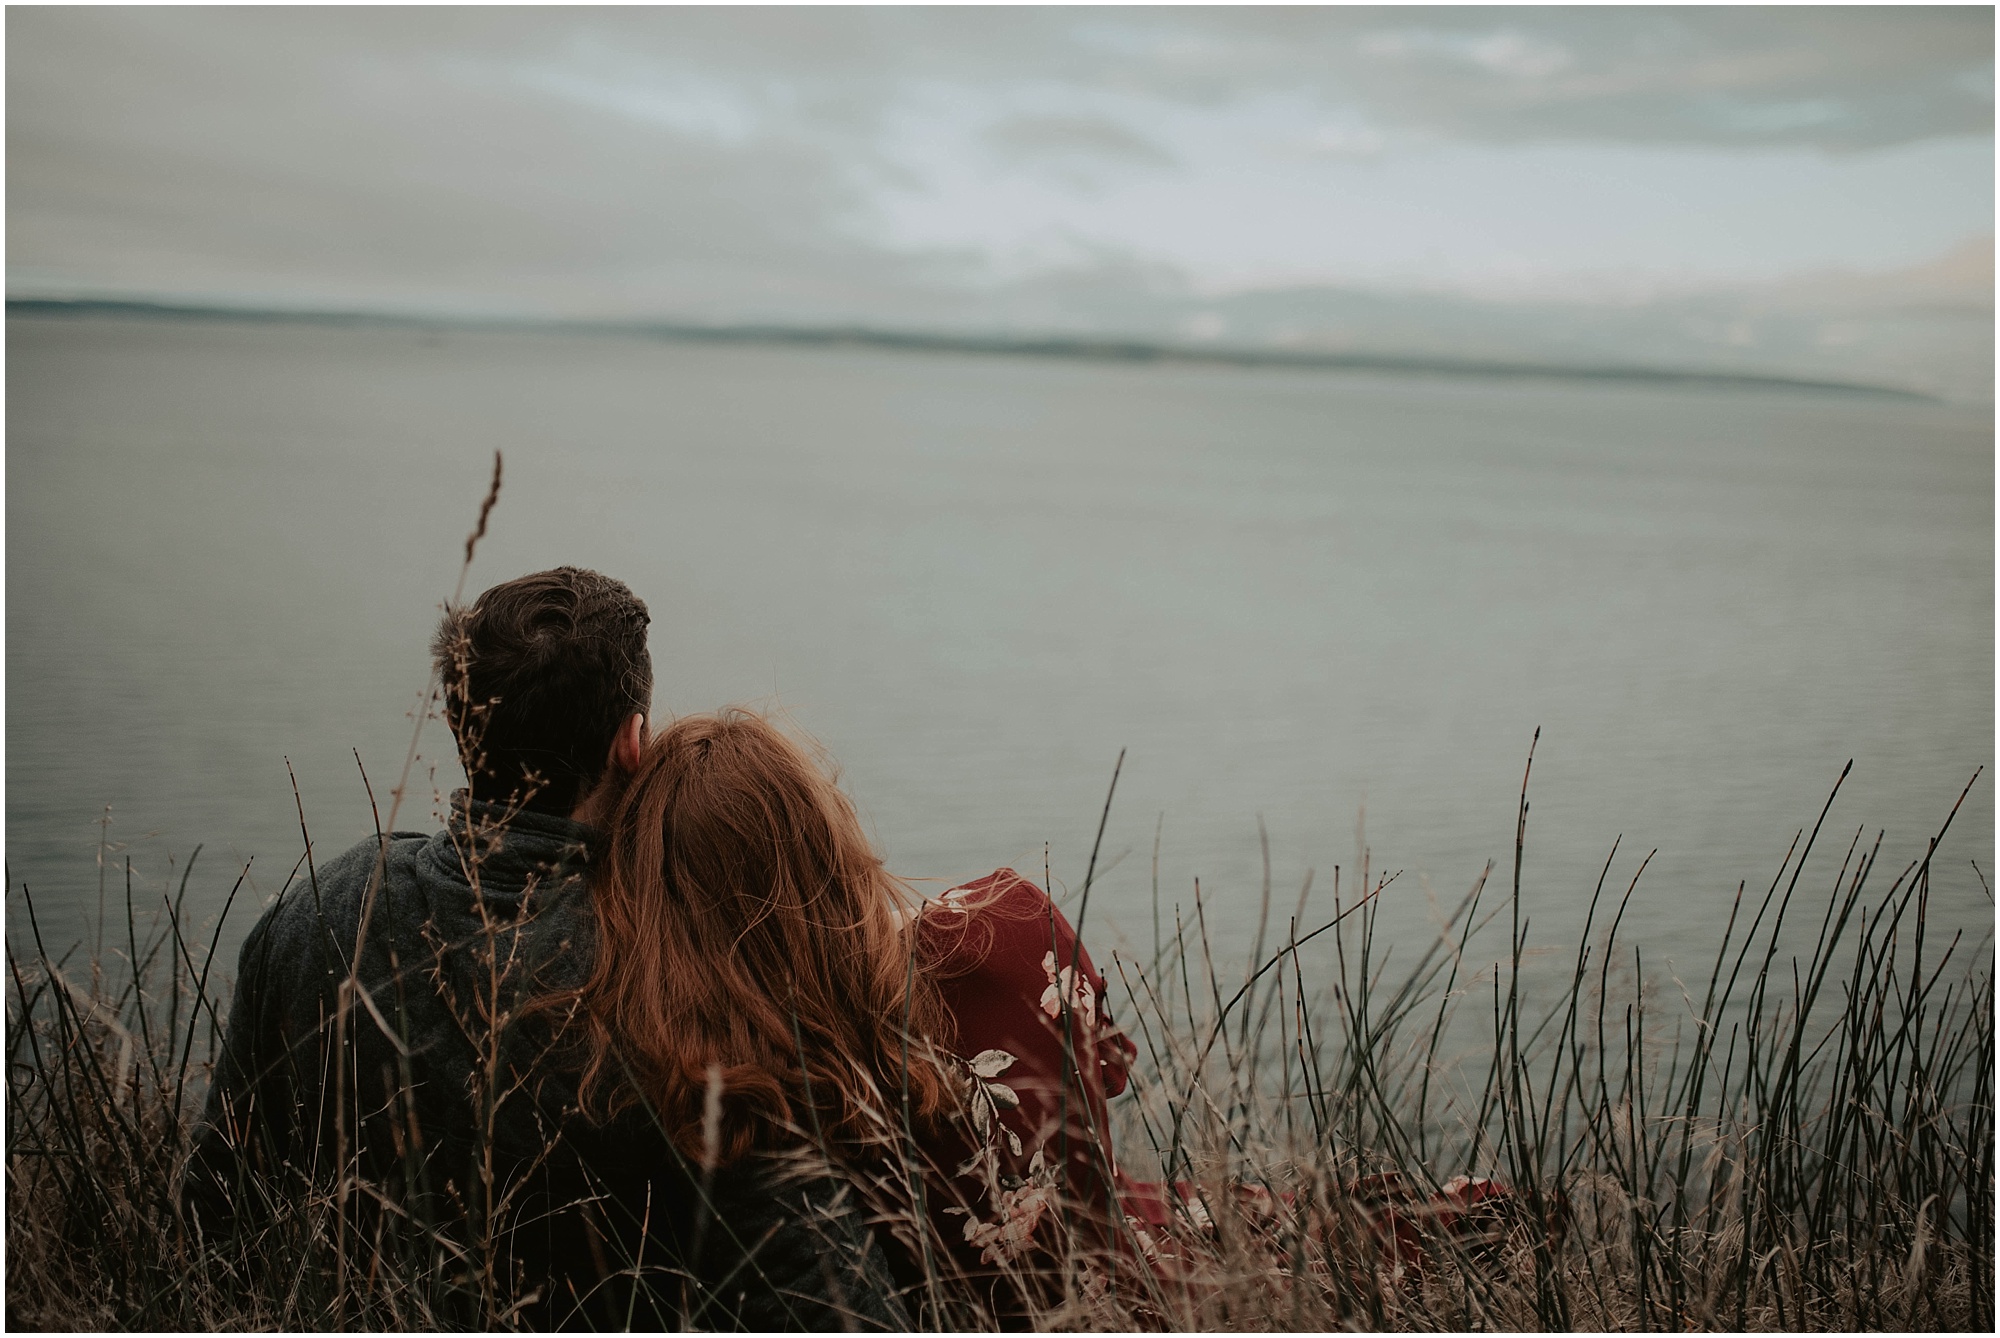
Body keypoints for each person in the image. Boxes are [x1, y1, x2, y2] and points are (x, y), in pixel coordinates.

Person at [185, 568, 908, 1331]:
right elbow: (838, 1304)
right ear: (632, 744)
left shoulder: (319, 915)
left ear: (465, 729)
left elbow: (216, 1221)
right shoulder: (664, 988)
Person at [562, 707, 1179, 1326]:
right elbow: (1107, 1070)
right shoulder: (1011, 926)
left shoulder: (738, 1101)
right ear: (826, 834)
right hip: (1142, 1295)